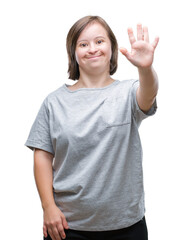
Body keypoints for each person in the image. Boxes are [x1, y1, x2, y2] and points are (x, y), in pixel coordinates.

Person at [25, 15, 159, 240]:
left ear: (112, 48)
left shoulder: (128, 92)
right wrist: (48, 207)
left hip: (127, 226)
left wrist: (146, 69)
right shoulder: (54, 102)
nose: (92, 49)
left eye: (99, 41)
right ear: (74, 53)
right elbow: (42, 156)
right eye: (83, 44)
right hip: (67, 226)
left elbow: (148, 94)